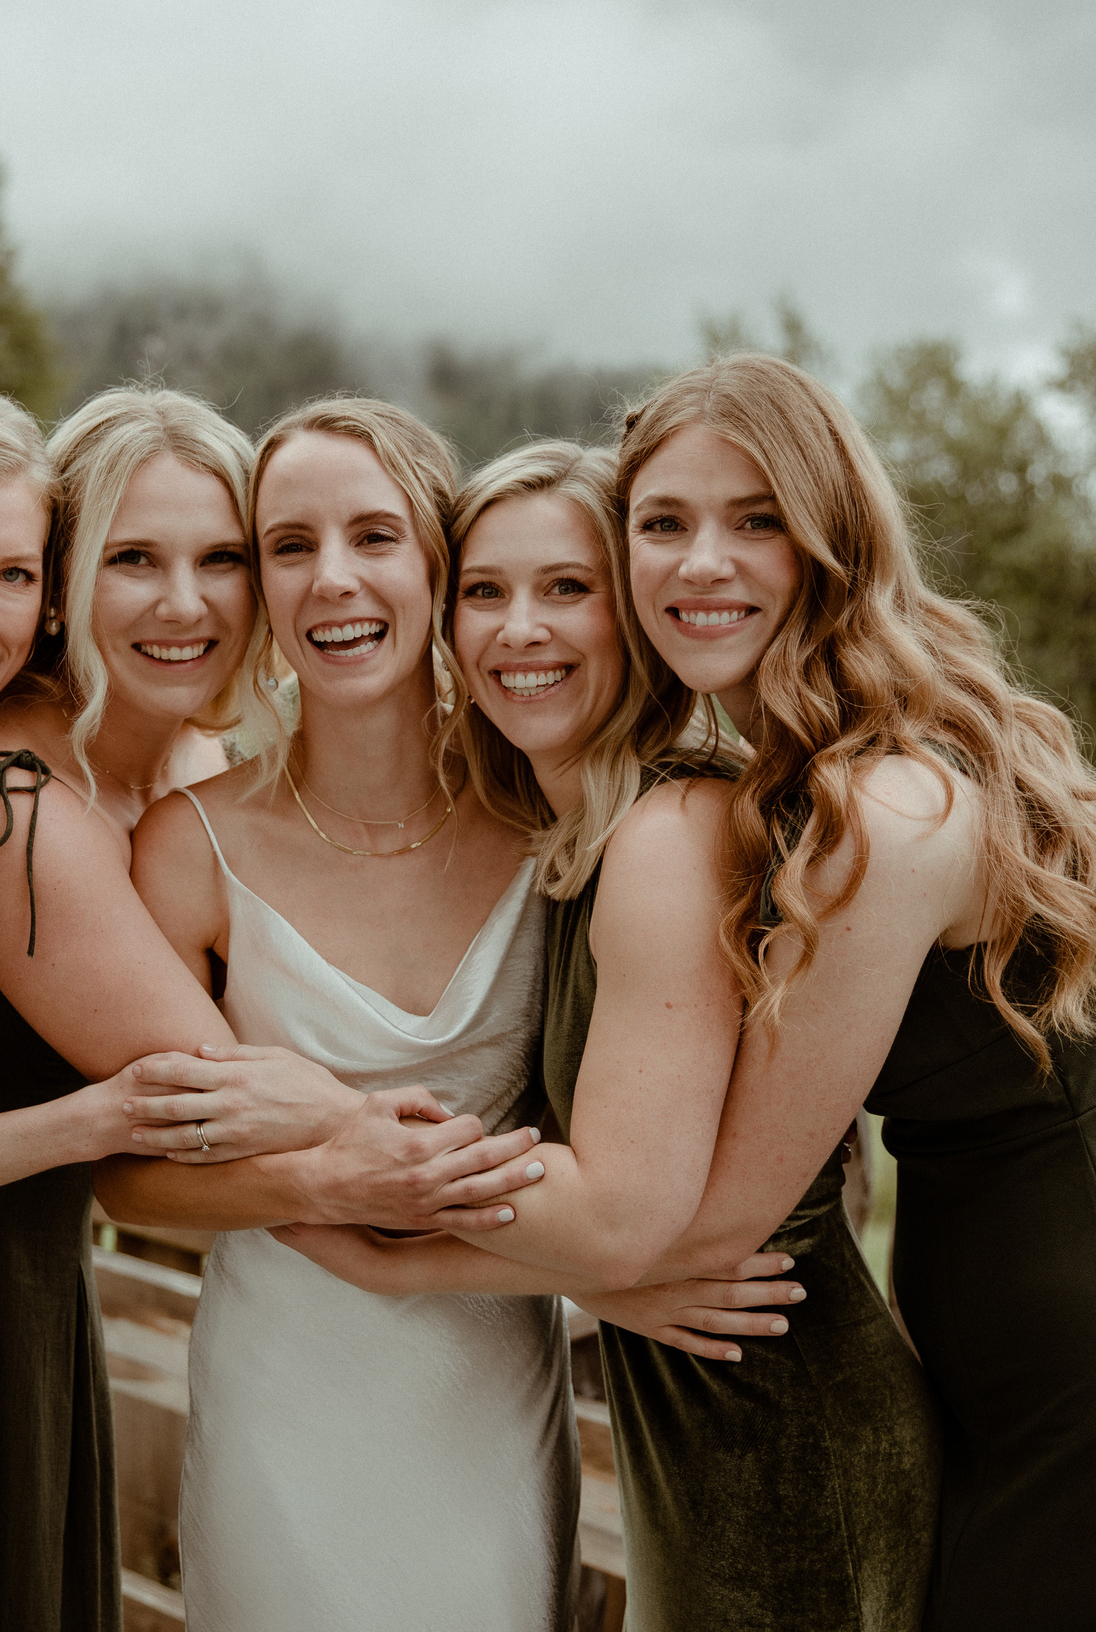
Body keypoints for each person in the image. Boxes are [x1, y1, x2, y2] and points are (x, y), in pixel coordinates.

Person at [278, 355, 1096, 1631]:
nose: (699, 563)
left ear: (830, 540)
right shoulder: (795, 772)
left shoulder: (883, 812)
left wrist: (406, 1258)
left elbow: (704, 1221)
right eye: (663, 524)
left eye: (755, 519)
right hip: (990, 1356)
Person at [0, 385, 542, 1631]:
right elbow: (226, 1103)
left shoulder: (188, 772)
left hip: (25, 1317)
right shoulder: (9, 799)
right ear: (67, 580)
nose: (184, 604)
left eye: (223, 559)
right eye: (133, 559)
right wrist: (606, 1257)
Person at [294, 439, 937, 1629]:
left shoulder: (671, 830)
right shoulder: (573, 838)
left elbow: (620, 1215)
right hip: (690, 1415)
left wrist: (356, 1200)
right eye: (484, 592)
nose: (517, 630)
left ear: (634, 621)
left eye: (566, 589)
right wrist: (606, 1280)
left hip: (780, 1423)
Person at [99, 398, 579, 1632]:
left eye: (373, 535)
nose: (332, 580)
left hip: (490, 1378)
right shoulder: (190, 847)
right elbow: (127, 1180)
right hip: (284, 1384)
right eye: (289, 545)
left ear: (436, 560)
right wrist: (327, 1185)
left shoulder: (554, 819)